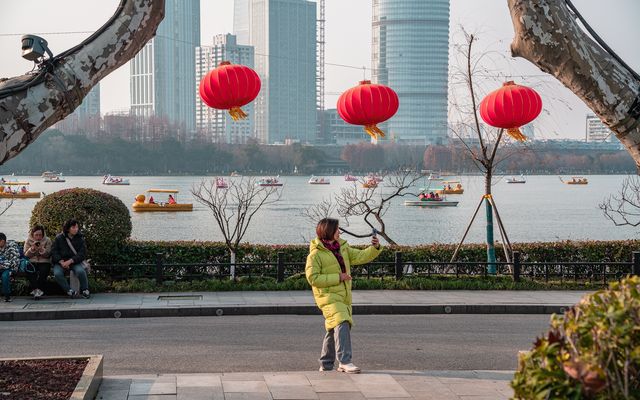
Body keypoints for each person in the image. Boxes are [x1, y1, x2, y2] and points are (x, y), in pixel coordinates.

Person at [306, 218, 382, 374]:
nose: (339, 232)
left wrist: (375, 248)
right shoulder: (315, 255)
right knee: (342, 321)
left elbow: (361, 256)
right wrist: (338, 277)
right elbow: (313, 278)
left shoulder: (342, 247)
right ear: (329, 231)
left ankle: (326, 364)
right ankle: (345, 361)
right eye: (337, 230)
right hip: (327, 297)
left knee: (334, 328)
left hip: (343, 295)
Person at [51, 219, 90, 299]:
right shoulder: (59, 238)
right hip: (60, 262)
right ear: (68, 228)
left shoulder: (80, 238)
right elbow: (54, 252)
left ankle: (85, 290)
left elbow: (82, 254)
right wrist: (61, 261)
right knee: (57, 273)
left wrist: (70, 261)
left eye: (77, 227)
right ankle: (69, 291)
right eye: (73, 227)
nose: (76, 229)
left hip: (74, 262)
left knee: (80, 271)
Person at [23, 225, 53, 299]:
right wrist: (32, 249)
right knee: (29, 270)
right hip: (32, 261)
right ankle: (37, 290)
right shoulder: (28, 240)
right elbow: (26, 255)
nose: (38, 237)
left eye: (40, 235)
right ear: (33, 235)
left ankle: (36, 290)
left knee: (44, 271)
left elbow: (49, 254)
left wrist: (42, 250)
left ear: (43, 235)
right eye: (36, 235)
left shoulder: (47, 240)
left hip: (44, 261)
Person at [0, 233, 20, 302]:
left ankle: (7, 296)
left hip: (10, 269)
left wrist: (2, 265)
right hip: (1, 267)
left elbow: (15, 262)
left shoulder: (12, 247)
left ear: (3, 241)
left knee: (5, 276)